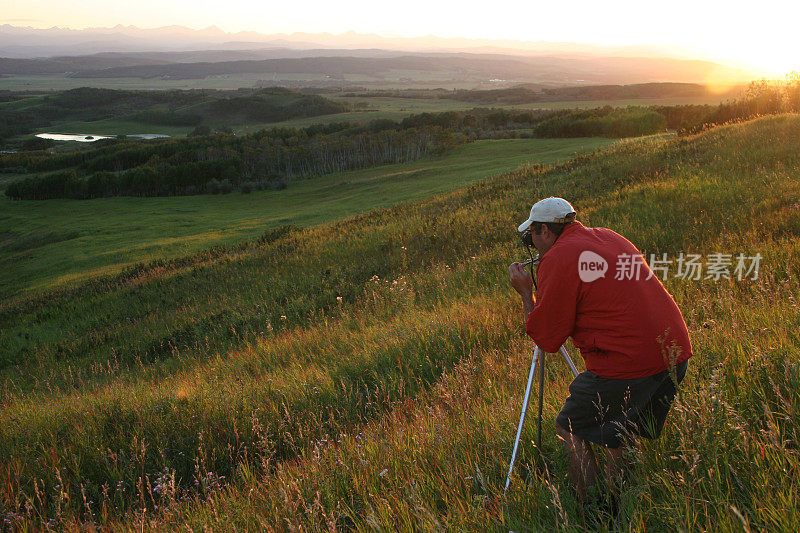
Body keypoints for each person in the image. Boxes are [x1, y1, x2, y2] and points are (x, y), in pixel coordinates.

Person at [508, 197, 692, 506]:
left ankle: (591, 510)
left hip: (630, 364)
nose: (532, 245)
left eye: (531, 237)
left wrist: (527, 291)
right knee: (619, 430)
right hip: (673, 353)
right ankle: (624, 508)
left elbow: (546, 338)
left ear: (545, 231)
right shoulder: (607, 236)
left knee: (568, 426)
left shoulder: (560, 258)